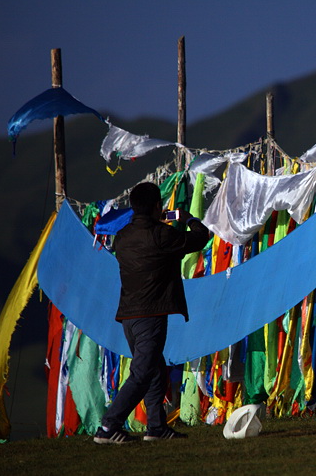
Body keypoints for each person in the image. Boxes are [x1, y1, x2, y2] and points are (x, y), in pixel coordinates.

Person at [94, 182, 210, 444]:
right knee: (142, 372)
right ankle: (108, 426)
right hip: (151, 313)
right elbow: (201, 237)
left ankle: (156, 427)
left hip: (128, 314)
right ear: (158, 206)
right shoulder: (162, 235)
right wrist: (188, 219)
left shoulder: (122, 237)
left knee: (155, 369)